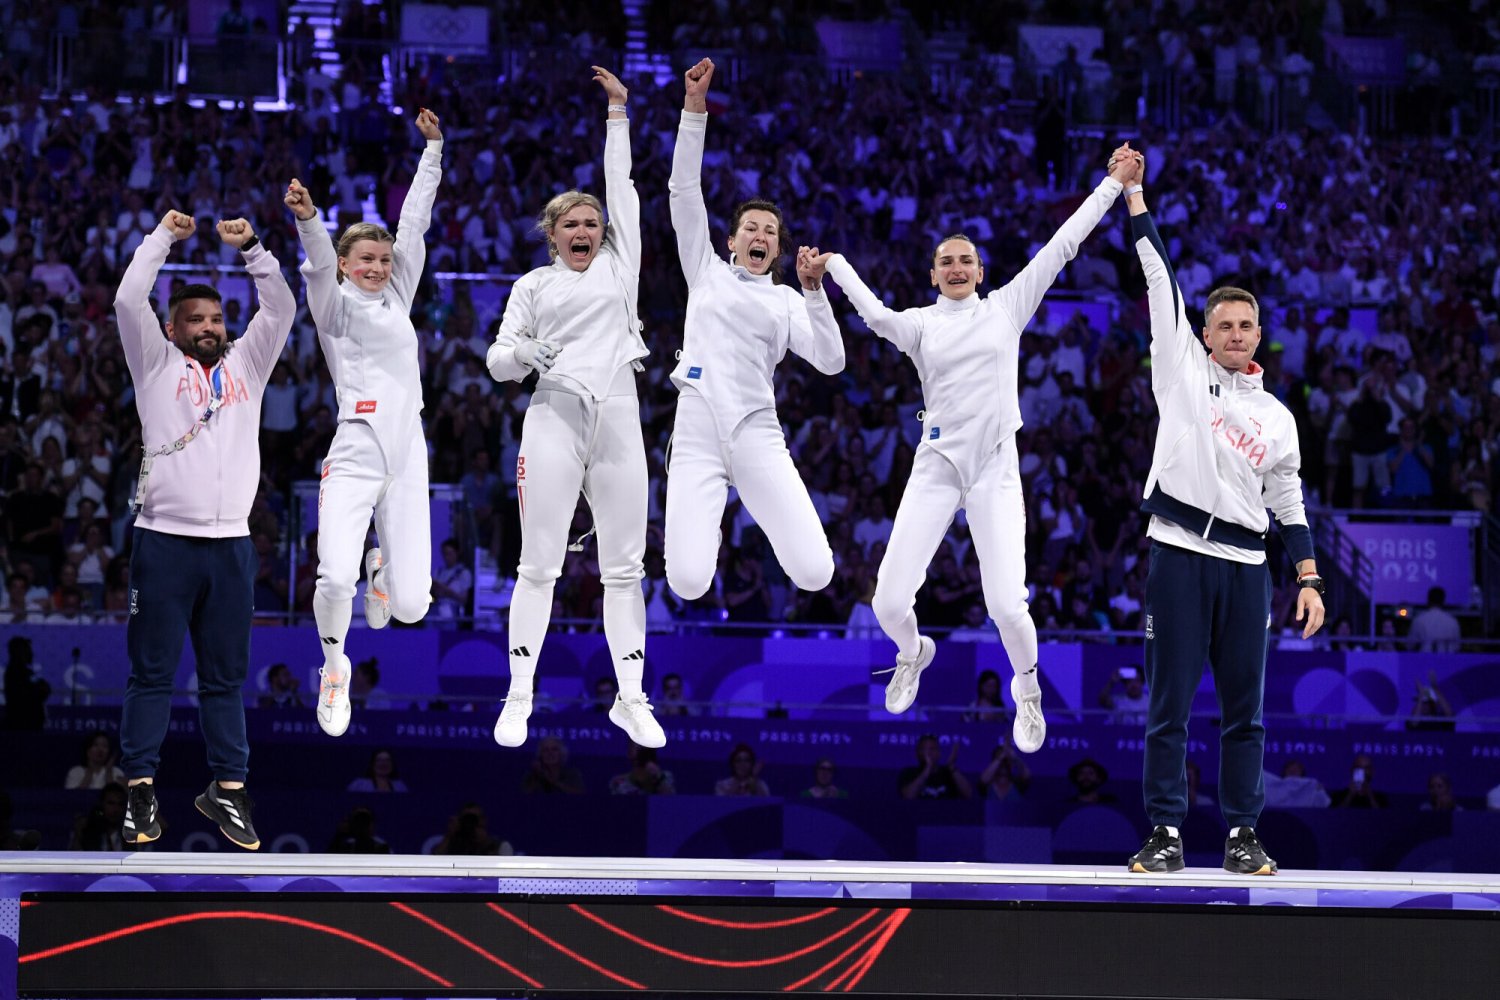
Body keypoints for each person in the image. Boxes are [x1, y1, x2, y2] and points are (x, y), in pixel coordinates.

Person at [816, 146, 1135, 750]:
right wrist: (835, 264)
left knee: (1007, 607)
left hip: (995, 468)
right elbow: (877, 318)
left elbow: (1062, 245)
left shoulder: (1007, 309)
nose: (957, 268)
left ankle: (1028, 691)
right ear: (933, 274)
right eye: (946, 262)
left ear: (981, 271)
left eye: (966, 260)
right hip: (937, 466)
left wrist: (1112, 185)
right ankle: (914, 653)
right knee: (887, 603)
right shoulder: (920, 324)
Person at [1117, 154, 1325, 877]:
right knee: (1168, 708)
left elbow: (1288, 499)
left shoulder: (1276, 417)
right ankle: (1166, 833)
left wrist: (1308, 577)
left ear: (1259, 335)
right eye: (1224, 324)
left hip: (1245, 570)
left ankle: (1243, 834)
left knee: (1248, 715)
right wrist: (1135, 194)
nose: (1235, 334)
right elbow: (1156, 274)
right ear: (1204, 334)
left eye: (1246, 325)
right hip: (1176, 553)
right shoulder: (1179, 369)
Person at [485, 69, 662, 751]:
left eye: (592, 222)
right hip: (553, 415)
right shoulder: (531, 286)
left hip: (618, 412)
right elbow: (498, 364)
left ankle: (633, 698)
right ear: (552, 234)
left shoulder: (623, 268)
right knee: (539, 566)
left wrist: (618, 113)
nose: (583, 229)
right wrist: (530, 350)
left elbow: (624, 189)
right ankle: (519, 693)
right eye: (571, 223)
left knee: (623, 569)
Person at [115, 209, 294, 851]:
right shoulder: (155, 365)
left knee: (225, 678)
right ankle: (139, 792)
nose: (211, 329)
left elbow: (280, 307)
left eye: (217, 320)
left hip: (232, 548)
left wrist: (253, 249)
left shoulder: (248, 366)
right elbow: (128, 295)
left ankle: (229, 789)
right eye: (196, 320)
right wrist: (163, 237)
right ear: (173, 328)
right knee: (153, 674)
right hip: (163, 541)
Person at [286, 108, 444, 739]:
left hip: (408, 453)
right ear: (348, 266)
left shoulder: (398, 295)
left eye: (383, 259)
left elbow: (415, 222)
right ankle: (332, 667)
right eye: (365, 260)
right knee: (331, 575)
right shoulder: (334, 307)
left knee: (409, 607)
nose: (377, 267)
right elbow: (320, 268)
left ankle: (384, 572)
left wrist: (432, 152)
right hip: (355, 447)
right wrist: (309, 221)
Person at [664, 58, 843, 606]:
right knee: (688, 582)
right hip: (696, 429)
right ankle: (707, 520)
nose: (761, 234)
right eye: (751, 228)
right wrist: (694, 111)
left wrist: (816, 294)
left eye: (770, 231)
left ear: (777, 249)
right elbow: (682, 192)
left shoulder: (789, 301)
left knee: (816, 572)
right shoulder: (706, 270)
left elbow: (832, 362)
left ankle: (746, 515)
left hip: (757, 432)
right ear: (732, 243)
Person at [898, 734, 973, 800]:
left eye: (932, 749)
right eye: (924, 749)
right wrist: (927, 770)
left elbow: (968, 794)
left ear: (939, 753)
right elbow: (908, 796)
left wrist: (951, 767)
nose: (928, 753)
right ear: (917, 753)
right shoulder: (909, 772)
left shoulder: (948, 773)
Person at [2, 634, 49, 730]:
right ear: (20, 652)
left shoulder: (28, 672)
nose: (31, 653)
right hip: (22, 725)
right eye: (28, 650)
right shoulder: (14, 673)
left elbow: (44, 688)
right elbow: (26, 696)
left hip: (33, 723)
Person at [521, 736, 586, 795]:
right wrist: (537, 775)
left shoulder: (572, 773)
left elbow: (579, 793)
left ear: (561, 753)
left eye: (554, 749)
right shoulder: (532, 774)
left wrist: (552, 780)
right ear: (540, 754)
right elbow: (524, 795)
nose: (550, 753)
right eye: (546, 750)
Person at [609, 742, 675, 795]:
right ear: (629, 752)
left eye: (643, 747)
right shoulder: (618, 782)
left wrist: (658, 779)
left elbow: (670, 804)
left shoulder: (664, 777)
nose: (640, 751)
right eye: (636, 747)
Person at [1407, 586, 1461, 652]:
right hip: (1447, 660)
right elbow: (1457, 646)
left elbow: (1410, 645)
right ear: (1443, 601)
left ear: (1428, 600)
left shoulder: (1419, 620)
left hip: (1425, 659)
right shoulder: (1452, 621)